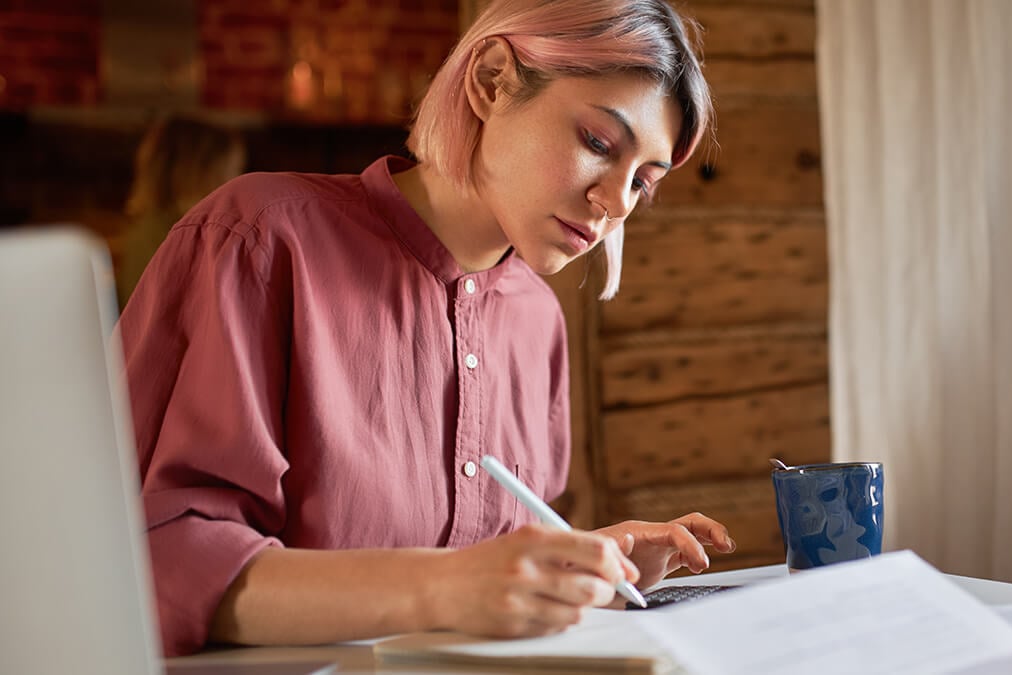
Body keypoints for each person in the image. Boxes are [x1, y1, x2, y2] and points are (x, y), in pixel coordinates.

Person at [118, 0, 735, 658]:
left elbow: (478, 580)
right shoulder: (260, 239)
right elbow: (156, 561)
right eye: (597, 143)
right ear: (492, 79)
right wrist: (443, 585)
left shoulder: (537, 322)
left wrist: (572, 570)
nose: (614, 204)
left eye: (642, 181)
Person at [117, 114, 246, 310]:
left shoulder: (155, 232)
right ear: (202, 175)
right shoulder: (166, 239)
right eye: (233, 170)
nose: (237, 181)